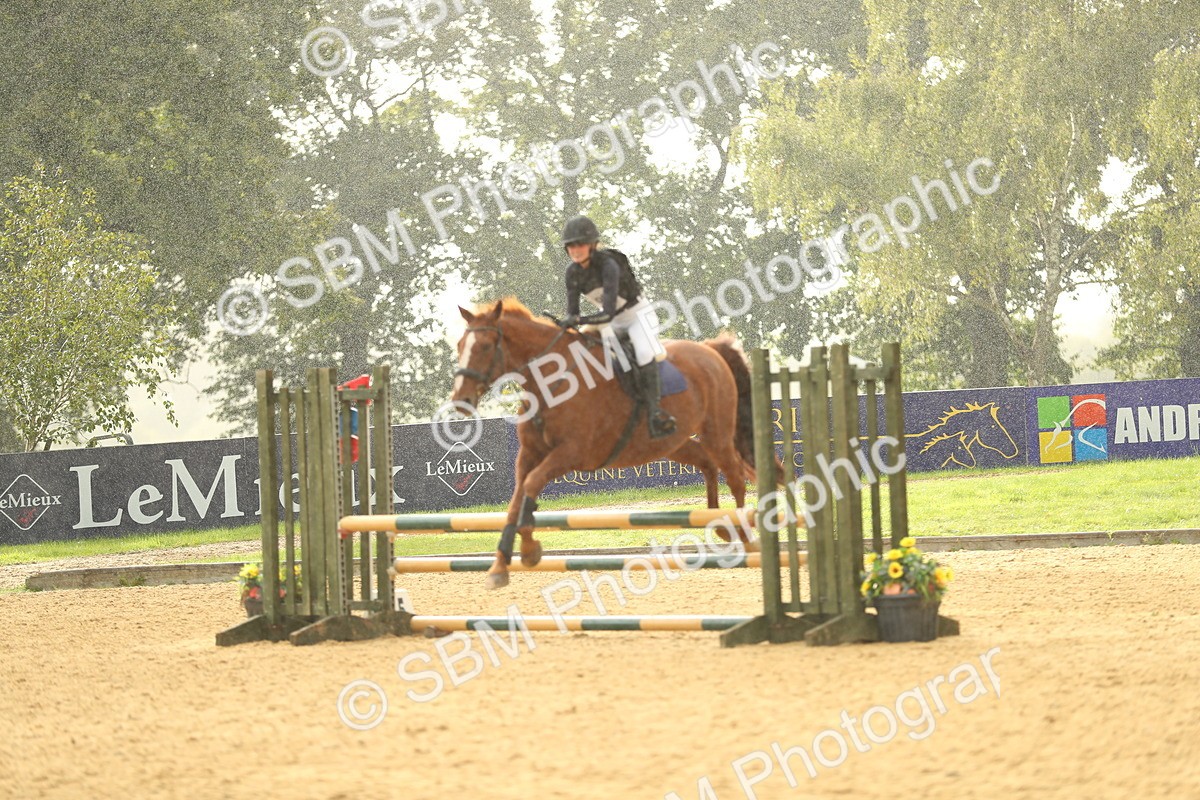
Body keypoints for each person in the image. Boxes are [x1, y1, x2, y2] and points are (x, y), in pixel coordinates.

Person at [559, 214, 677, 438]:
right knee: (593, 356)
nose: (575, 250)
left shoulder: (608, 265)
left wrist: (578, 321)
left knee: (643, 353)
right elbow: (573, 313)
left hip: (637, 316)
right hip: (611, 322)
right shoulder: (572, 272)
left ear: (592, 245)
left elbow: (606, 312)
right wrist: (568, 322)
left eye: (580, 244)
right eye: (571, 246)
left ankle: (655, 414)